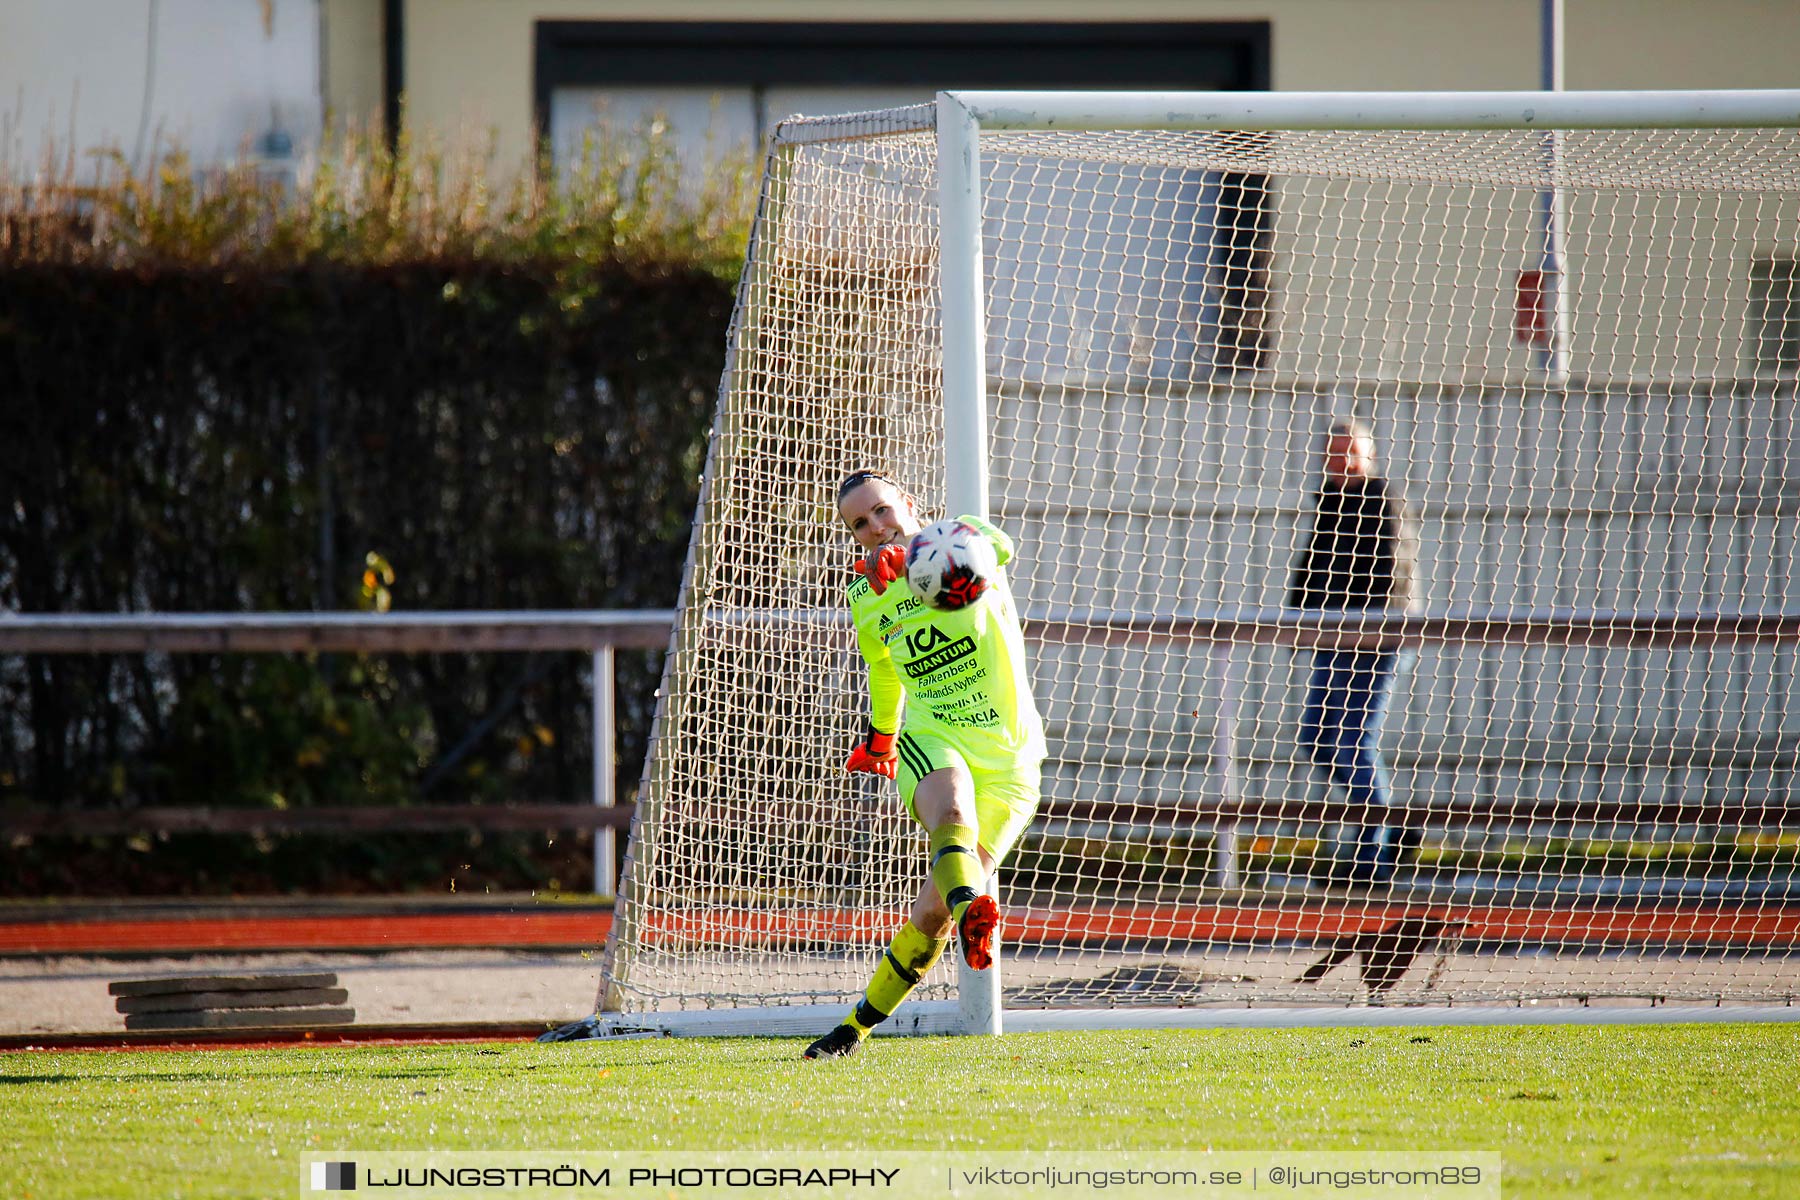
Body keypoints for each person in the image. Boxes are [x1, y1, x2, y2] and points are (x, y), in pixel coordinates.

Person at [805, 469, 1046, 1059]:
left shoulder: (961, 540)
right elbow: (884, 669)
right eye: (859, 524)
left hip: (1013, 762)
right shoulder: (865, 593)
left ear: (907, 504)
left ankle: (852, 1029)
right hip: (933, 736)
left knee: (931, 910)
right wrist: (881, 738)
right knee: (951, 807)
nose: (874, 528)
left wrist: (920, 566)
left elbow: (1003, 545)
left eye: (882, 511)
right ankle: (975, 911)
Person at [1287, 420, 1420, 885]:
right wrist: (1296, 619)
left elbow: (1389, 571)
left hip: (1375, 640)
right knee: (1317, 740)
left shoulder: (1384, 500)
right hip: (1333, 637)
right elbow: (1311, 570)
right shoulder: (1328, 503)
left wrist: (1339, 613)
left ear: (1369, 458)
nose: (1343, 463)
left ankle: (1371, 864)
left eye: (1352, 454)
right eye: (1335, 453)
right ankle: (1391, 820)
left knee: (1354, 743)